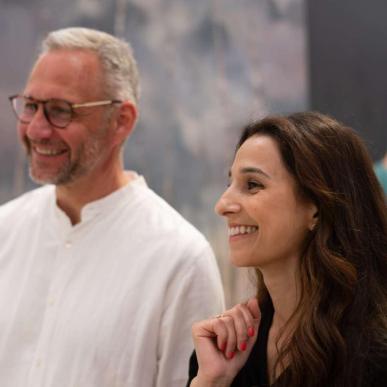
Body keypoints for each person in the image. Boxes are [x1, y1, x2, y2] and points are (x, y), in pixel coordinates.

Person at [1, 27, 225, 387]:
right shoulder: (5, 229)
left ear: (122, 121)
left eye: (60, 111)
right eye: (30, 106)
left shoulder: (180, 259)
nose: (37, 130)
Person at [187, 112, 387, 387]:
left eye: (253, 185)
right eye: (229, 183)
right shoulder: (219, 356)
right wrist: (211, 382)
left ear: (316, 209)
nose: (223, 205)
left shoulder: (374, 355)